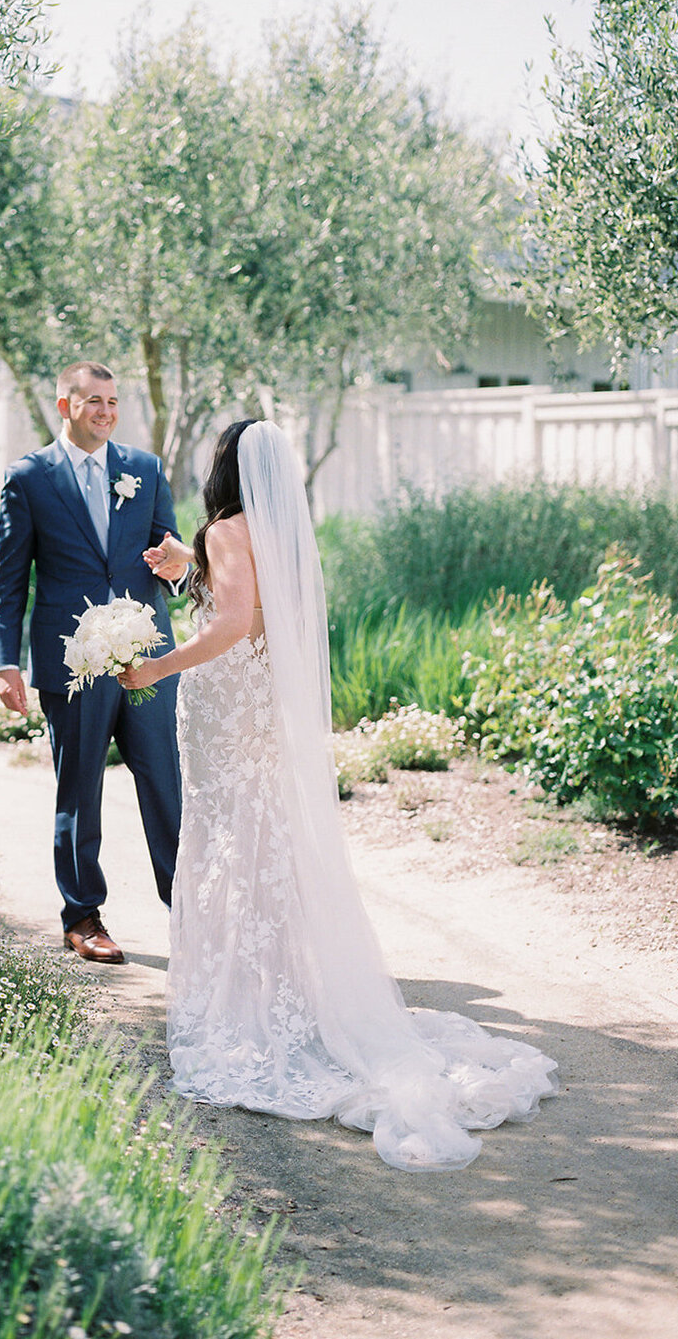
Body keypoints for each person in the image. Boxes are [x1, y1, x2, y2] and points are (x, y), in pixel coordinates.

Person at [119, 419, 557, 1171]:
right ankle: (287, 997)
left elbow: (229, 622)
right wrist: (188, 563)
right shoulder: (278, 532)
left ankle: (243, 1008)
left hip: (226, 713)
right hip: (260, 716)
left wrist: (157, 668)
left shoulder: (228, 527)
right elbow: (259, 607)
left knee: (229, 845)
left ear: (222, 469)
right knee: (262, 842)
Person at [0, 361, 185, 964]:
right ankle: (83, 917)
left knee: (164, 782)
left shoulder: (146, 470)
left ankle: (190, 910)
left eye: (113, 401)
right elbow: (9, 578)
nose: (105, 411)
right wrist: (5, 661)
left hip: (146, 655)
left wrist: (176, 568)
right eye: (93, 400)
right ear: (65, 404)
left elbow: (170, 555)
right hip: (70, 659)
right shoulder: (29, 477)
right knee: (78, 788)